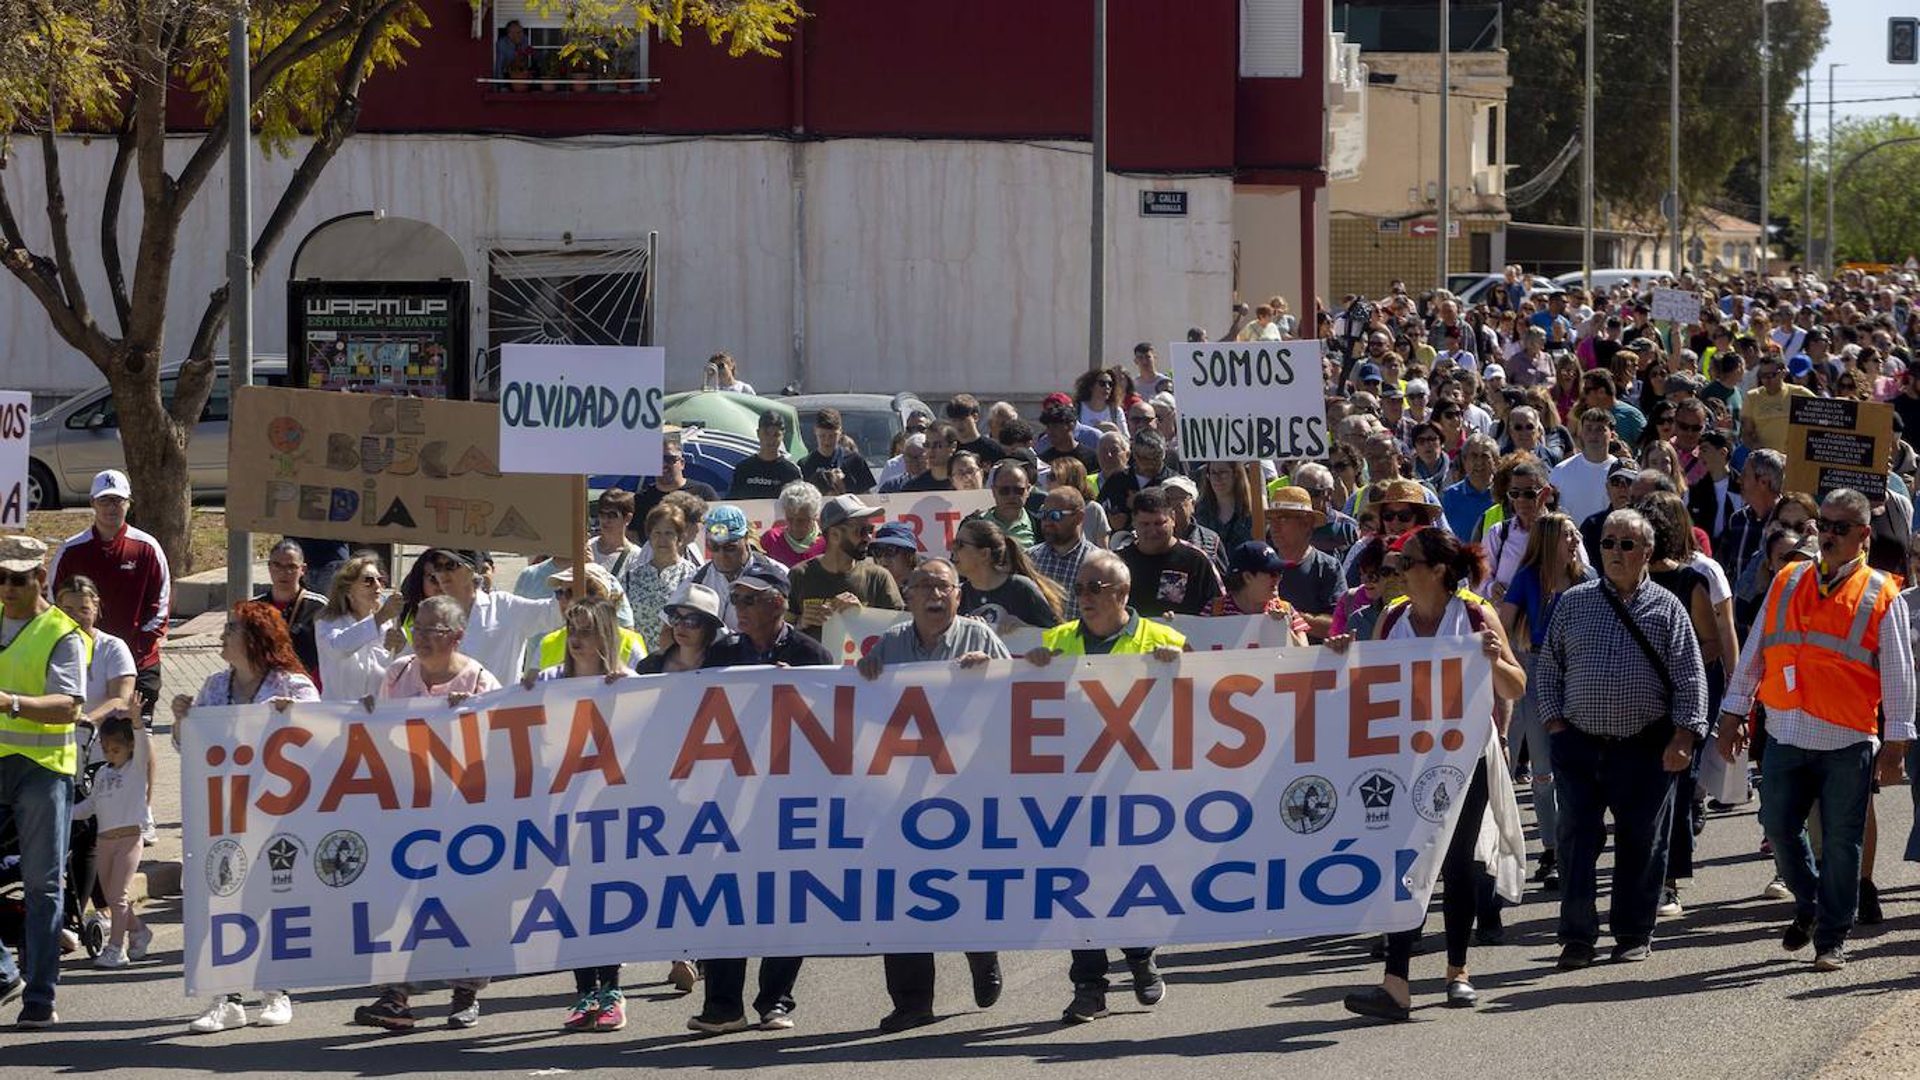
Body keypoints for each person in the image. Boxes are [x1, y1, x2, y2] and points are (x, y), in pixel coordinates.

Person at [1331, 527, 1526, 1020]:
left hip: (1464, 760)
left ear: (1437, 571)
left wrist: (1489, 659)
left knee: (1458, 861)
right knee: (1404, 864)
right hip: (1405, 760)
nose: (1394, 573)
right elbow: (1366, 685)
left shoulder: (1474, 615)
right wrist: (1342, 658)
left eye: (1405, 564)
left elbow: (1515, 685)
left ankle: (1457, 972)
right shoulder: (1392, 618)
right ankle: (1396, 981)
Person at [1717, 489, 1913, 972]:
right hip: (1786, 731)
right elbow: (1755, 650)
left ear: (1864, 536)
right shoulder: (1787, 579)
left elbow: (1899, 675)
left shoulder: (1881, 592)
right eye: (1823, 524)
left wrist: (1896, 745)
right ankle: (1808, 902)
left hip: (1847, 739)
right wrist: (1732, 711)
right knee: (1778, 828)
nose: (1827, 534)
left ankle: (1831, 938)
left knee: (1844, 842)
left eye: (1840, 528)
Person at [1534, 508, 1708, 968]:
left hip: (1644, 745)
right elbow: (1548, 669)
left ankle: (1633, 932)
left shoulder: (1668, 608)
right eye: (1608, 543)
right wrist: (1556, 725)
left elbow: (1692, 679)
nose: (1614, 552)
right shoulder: (1573, 602)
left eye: (1626, 544)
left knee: (1642, 843)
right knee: (1574, 842)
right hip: (1579, 744)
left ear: (1647, 552)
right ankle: (1576, 937)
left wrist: (1684, 737)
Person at [1020, 550, 1182, 1024]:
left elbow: (1201, 704)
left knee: (1126, 882)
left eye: (1096, 588)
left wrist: (1180, 668)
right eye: (1081, 588)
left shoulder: (1163, 639)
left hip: (1135, 785)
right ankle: (1088, 985)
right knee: (1074, 886)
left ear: (1123, 594)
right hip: (1070, 786)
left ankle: (1139, 955)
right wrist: (1032, 666)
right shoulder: (1057, 640)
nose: (1084, 597)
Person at [856, 559, 1009, 1033]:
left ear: (958, 595)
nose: (933, 595)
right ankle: (912, 1001)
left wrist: (996, 671)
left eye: (943, 586)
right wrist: (862, 674)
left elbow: (1022, 692)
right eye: (923, 586)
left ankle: (982, 953)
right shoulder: (890, 644)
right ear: (909, 595)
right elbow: (863, 709)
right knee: (900, 892)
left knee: (961, 882)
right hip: (900, 791)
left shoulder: (980, 637)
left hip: (964, 787)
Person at [352, 595, 502, 1031]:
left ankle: (465, 993)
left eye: (431, 632)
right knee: (396, 901)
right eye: (416, 629)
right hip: (407, 810)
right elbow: (380, 732)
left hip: (463, 812)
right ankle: (396, 995)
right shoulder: (397, 674)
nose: (419, 639)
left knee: (464, 902)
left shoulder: (479, 684)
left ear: (456, 637)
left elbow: (496, 748)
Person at [175, 601, 319, 1033]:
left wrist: (292, 720)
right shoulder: (215, 686)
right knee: (221, 902)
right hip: (225, 816)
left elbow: (327, 735)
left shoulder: (292, 686)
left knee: (273, 900)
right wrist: (184, 720)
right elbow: (189, 749)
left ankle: (277, 990)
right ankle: (227, 998)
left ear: (256, 638)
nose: (221, 636)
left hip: (280, 818)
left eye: (231, 628)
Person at [515, 598, 639, 1031]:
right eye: (573, 631)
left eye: (586, 631)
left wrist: (624, 686)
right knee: (569, 901)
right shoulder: (550, 679)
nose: (578, 640)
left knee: (604, 899)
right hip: (560, 806)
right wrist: (523, 688)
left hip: (609, 808)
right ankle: (585, 990)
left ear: (606, 634)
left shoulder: (626, 680)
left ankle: (612, 989)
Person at [0, 535, 89, 1028]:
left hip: (42, 770)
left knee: (41, 886)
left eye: (16, 579)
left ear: (38, 579)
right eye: (0, 578)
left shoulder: (62, 632)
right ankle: (5, 971)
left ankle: (40, 995)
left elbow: (68, 707)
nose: (6, 589)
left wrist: (10, 702)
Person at [1496, 513, 1592, 891]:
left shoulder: (1587, 579)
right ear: (1550, 538)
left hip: (1581, 671)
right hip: (1537, 669)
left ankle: (1574, 844)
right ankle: (1551, 849)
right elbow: (1501, 627)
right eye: (1569, 533)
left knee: (1578, 765)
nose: (1576, 539)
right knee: (1542, 770)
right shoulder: (1527, 578)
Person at [50, 469, 168, 727]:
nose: (111, 507)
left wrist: (133, 650)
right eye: (104, 500)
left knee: (136, 740)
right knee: (87, 737)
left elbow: (160, 607)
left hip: (139, 663)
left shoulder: (147, 548)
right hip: (81, 663)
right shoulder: (71, 550)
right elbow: (52, 606)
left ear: (128, 503)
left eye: (117, 500)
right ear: (92, 503)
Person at [416, 548, 569, 684]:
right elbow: (415, 665)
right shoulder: (433, 614)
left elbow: (553, 613)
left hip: (496, 712)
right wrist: (394, 644)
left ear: (472, 570)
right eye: (438, 567)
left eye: (451, 566)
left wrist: (580, 571)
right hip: (447, 712)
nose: (443, 573)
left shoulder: (505, 607)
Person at [71, 715, 148, 970]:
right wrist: (64, 812)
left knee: (117, 896)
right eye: (105, 749)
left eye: (116, 749)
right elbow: (91, 805)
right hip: (104, 842)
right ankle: (139, 931)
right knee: (115, 897)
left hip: (128, 839)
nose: (110, 754)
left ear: (130, 747)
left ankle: (116, 948)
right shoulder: (103, 773)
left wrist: (137, 723)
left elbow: (144, 745)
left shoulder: (136, 769)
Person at [789, 495, 904, 639]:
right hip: (813, 661)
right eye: (861, 531)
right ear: (835, 535)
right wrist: (801, 623)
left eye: (870, 530)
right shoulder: (799, 575)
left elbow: (901, 632)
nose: (868, 538)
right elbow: (776, 634)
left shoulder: (878, 577)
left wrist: (863, 614)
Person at [1116, 486, 1221, 617]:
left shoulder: (1196, 561)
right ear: (1134, 522)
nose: (1153, 531)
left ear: (1172, 518)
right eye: (1145, 524)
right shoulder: (1118, 563)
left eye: (1159, 523)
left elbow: (1218, 608)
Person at [314, 552, 403, 703]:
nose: (377, 586)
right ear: (348, 589)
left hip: (377, 715)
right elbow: (338, 649)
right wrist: (380, 617)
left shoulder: (390, 624)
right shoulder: (327, 622)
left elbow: (401, 673)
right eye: (368, 581)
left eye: (380, 580)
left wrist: (400, 650)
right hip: (338, 715)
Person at [952, 518, 1064, 633]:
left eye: (959, 545)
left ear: (984, 554)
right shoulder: (956, 595)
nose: (952, 549)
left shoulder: (1021, 588)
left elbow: (1057, 637)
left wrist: (1027, 629)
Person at [531, 564, 649, 671]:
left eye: (570, 593)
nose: (562, 600)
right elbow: (532, 691)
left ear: (598, 597)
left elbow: (643, 689)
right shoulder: (547, 643)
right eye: (559, 593)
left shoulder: (629, 643)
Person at [688, 506, 785, 630]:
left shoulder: (778, 575)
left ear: (745, 538)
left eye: (730, 547)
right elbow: (669, 630)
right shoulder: (695, 580)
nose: (721, 555)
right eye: (714, 547)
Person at [1265, 487, 1341, 639]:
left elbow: (1338, 625)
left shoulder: (1328, 567)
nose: (1274, 527)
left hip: (1316, 660)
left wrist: (1291, 617)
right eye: (1271, 519)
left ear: (1306, 523)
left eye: (1283, 518)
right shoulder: (1261, 567)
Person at [624, 503, 699, 646]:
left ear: (680, 537)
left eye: (669, 533)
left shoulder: (693, 576)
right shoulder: (631, 577)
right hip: (640, 661)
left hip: (676, 661)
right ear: (650, 536)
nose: (662, 539)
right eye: (657, 533)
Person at [255, 538, 327, 684]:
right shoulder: (254, 607)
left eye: (291, 567)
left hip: (308, 690)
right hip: (263, 690)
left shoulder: (319, 607)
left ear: (303, 570)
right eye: (277, 565)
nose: (284, 572)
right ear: (269, 567)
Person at [1480, 459, 1553, 602]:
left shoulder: (1562, 531)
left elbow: (1580, 574)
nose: (1520, 499)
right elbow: (1479, 579)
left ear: (1545, 493)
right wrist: (1490, 588)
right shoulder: (1498, 533)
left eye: (1529, 493)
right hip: (1506, 620)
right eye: (1514, 493)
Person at [1208, 541, 1310, 643]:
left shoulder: (1286, 610)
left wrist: (1283, 627)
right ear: (1247, 577)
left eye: (1280, 572)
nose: (1279, 578)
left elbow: (1304, 654)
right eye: (1272, 573)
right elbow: (1194, 653)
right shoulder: (1214, 610)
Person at [636, 582, 730, 675]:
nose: (680, 626)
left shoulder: (724, 667)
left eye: (692, 621)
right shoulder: (650, 666)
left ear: (709, 627)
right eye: (676, 617)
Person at [632, 432, 720, 526]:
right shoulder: (641, 499)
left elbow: (720, 528)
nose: (663, 464)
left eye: (669, 459)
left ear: (682, 463)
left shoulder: (704, 493)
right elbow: (633, 537)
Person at [799, 407, 877, 494]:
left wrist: (843, 486)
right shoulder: (805, 464)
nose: (827, 441)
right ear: (815, 431)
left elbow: (867, 497)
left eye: (832, 436)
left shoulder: (855, 461)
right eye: (822, 435)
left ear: (840, 432)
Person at [729, 411, 805, 499]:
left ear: (782, 435)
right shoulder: (743, 468)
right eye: (766, 434)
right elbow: (733, 501)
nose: (770, 440)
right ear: (758, 433)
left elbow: (799, 505)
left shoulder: (791, 471)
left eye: (776, 435)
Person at [966, 460, 1040, 545]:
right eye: (1004, 490)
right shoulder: (973, 525)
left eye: (1018, 490)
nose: (1011, 495)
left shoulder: (1039, 527)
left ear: (1028, 490)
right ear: (993, 491)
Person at [761, 481, 827, 569]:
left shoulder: (827, 542)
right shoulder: (770, 539)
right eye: (790, 519)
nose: (795, 526)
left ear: (815, 516)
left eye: (801, 520)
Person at [1198, 461, 1255, 550]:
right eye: (1213, 473)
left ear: (1236, 474)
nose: (1217, 478)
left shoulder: (1252, 511)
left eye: (1223, 472)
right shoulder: (1200, 511)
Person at [869, 521, 921, 592]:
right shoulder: (870, 591)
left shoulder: (926, 591)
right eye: (878, 551)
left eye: (890, 550)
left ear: (909, 555)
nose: (882, 558)